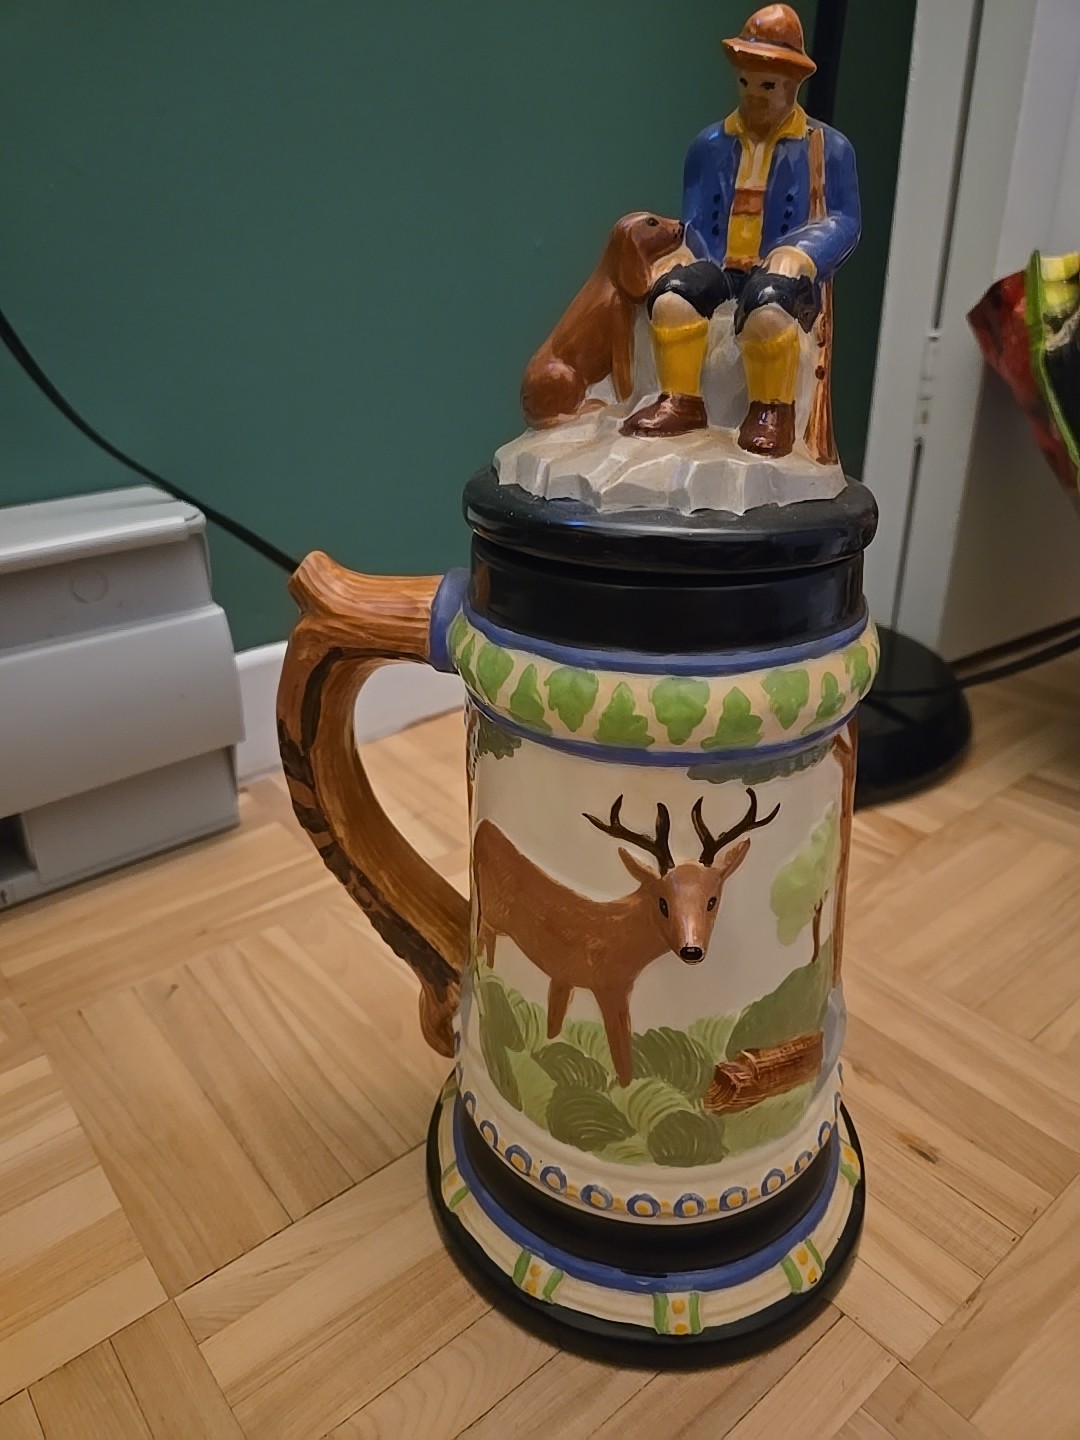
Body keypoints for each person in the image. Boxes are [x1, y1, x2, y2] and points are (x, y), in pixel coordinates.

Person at [620, 4, 860, 459]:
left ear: (792, 84)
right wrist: (685, 251)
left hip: (780, 271)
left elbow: (844, 220)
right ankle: (681, 400)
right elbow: (695, 217)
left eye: (767, 86)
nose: (755, 96)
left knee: (767, 309)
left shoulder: (826, 148)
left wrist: (802, 252)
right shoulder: (709, 146)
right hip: (720, 263)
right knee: (672, 298)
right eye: (746, 83)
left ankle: (772, 409)